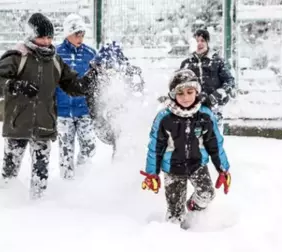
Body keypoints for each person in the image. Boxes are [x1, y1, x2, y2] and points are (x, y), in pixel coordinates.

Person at [0, 13, 97, 199]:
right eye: (41, 37)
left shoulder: (54, 60)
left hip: (44, 124)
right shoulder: (16, 56)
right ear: (31, 36)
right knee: (10, 171)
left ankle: (38, 209)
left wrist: (88, 81)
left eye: (49, 37)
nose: (46, 42)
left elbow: (72, 85)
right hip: (18, 124)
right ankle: (5, 205)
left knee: (41, 174)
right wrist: (15, 85)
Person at [140, 69, 231, 228]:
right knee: (175, 215)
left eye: (190, 92)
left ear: (197, 91)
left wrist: (223, 169)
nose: (186, 97)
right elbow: (155, 147)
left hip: (198, 165)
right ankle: (175, 236)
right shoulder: (165, 118)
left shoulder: (205, 115)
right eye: (180, 93)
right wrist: (152, 173)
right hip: (173, 168)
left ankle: (193, 209)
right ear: (173, 95)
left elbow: (215, 144)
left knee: (207, 194)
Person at [56, 13, 97, 179]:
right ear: (68, 33)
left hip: (84, 110)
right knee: (65, 149)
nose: (80, 37)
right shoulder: (56, 53)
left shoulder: (90, 54)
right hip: (63, 111)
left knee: (89, 146)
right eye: (76, 33)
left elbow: (96, 81)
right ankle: (67, 181)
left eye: (82, 33)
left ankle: (83, 178)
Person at [89, 41, 145, 158]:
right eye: (102, 66)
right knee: (118, 143)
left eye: (110, 67)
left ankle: (123, 164)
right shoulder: (95, 76)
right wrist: (98, 115)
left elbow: (138, 96)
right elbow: (92, 99)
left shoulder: (130, 75)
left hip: (125, 117)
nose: (105, 70)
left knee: (124, 142)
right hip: (106, 120)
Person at [179, 29, 236, 131]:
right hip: (193, 107)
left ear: (207, 42)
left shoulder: (217, 61)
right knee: (194, 139)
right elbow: (179, 84)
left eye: (202, 40)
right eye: (197, 41)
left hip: (215, 106)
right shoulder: (187, 64)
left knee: (213, 137)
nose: (199, 44)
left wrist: (218, 94)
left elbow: (230, 81)